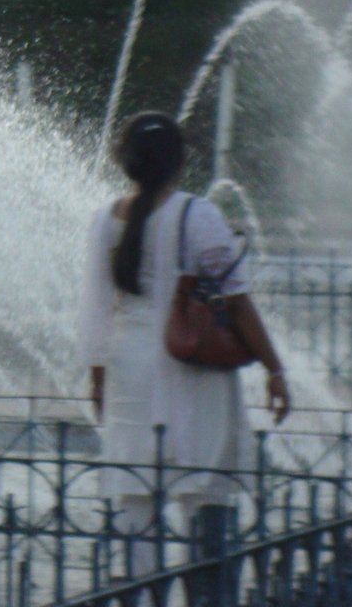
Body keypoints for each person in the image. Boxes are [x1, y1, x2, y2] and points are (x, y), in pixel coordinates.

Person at [77, 112, 288, 577]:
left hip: (129, 370)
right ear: (180, 160)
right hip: (191, 367)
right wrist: (275, 370)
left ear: (123, 160)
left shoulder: (103, 220)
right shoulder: (198, 215)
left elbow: (95, 310)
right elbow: (237, 303)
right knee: (202, 497)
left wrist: (97, 379)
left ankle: (138, 590)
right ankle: (207, 591)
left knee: (135, 502)